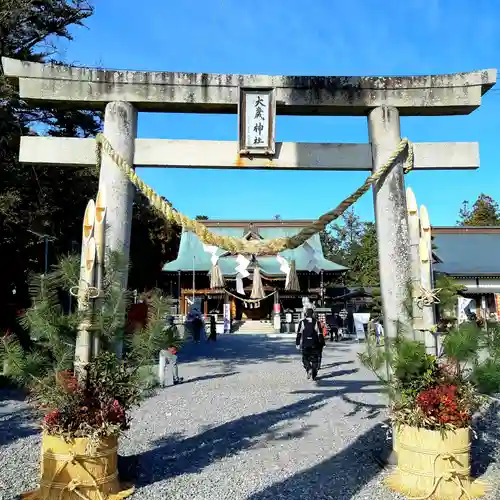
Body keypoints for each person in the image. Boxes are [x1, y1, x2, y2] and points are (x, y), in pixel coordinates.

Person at [296, 308, 325, 381]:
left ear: (306, 314)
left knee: (305, 358)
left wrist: (297, 343)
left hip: (305, 344)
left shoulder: (302, 322)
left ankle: (308, 368)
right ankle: (314, 375)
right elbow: (320, 334)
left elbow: (299, 333)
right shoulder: (316, 322)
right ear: (312, 314)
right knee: (315, 360)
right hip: (314, 344)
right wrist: (322, 343)